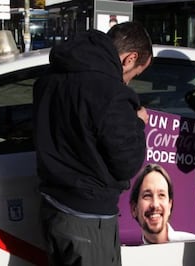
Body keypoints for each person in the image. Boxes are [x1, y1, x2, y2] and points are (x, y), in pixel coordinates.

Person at [33, 22, 152, 266]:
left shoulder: (50, 77)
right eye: (135, 74)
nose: (128, 82)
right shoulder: (111, 93)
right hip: (88, 219)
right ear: (130, 58)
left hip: (53, 208)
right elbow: (127, 164)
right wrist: (138, 123)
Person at [130, 163, 195, 244]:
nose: (155, 204)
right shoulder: (127, 255)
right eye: (147, 196)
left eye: (161, 195)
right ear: (134, 208)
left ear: (170, 205)